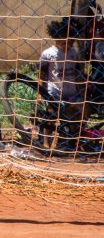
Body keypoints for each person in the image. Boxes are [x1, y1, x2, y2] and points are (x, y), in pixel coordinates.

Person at [39, 17, 88, 149]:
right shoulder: (48, 54)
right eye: (64, 43)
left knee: (79, 113)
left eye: (70, 43)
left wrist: (84, 84)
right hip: (54, 91)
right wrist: (40, 93)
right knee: (51, 116)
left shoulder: (73, 53)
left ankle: (72, 141)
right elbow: (42, 74)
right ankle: (46, 142)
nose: (67, 46)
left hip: (71, 91)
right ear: (57, 38)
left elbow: (77, 72)